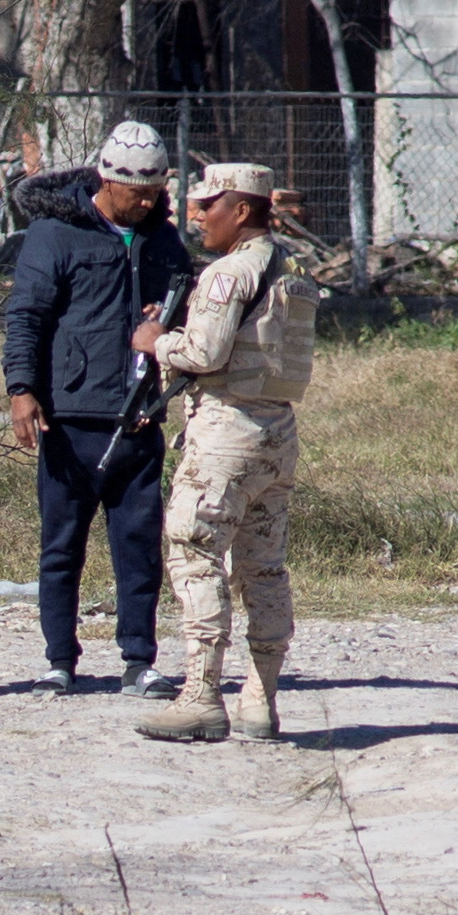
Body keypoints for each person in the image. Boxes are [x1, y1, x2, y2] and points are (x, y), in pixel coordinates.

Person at [0, 123, 188, 697]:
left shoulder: (163, 241)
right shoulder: (54, 234)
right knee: (62, 544)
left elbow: (189, 311)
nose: (148, 203)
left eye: (156, 192)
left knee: (138, 546)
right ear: (108, 180)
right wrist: (21, 389)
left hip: (138, 417)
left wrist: (167, 323)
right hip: (69, 418)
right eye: (138, 193)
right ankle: (59, 659)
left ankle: (139, 660)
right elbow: (25, 316)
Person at [138, 162, 322, 747]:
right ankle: (261, 699)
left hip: (225, 433)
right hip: (277, 433)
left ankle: (200, 695)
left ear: (241, 210)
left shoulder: (226, 274)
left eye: (207, 205)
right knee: (263, 567)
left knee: (194, 552)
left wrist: (156, 341)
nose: (195, 216)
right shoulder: (293, 269)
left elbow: (206, 353)